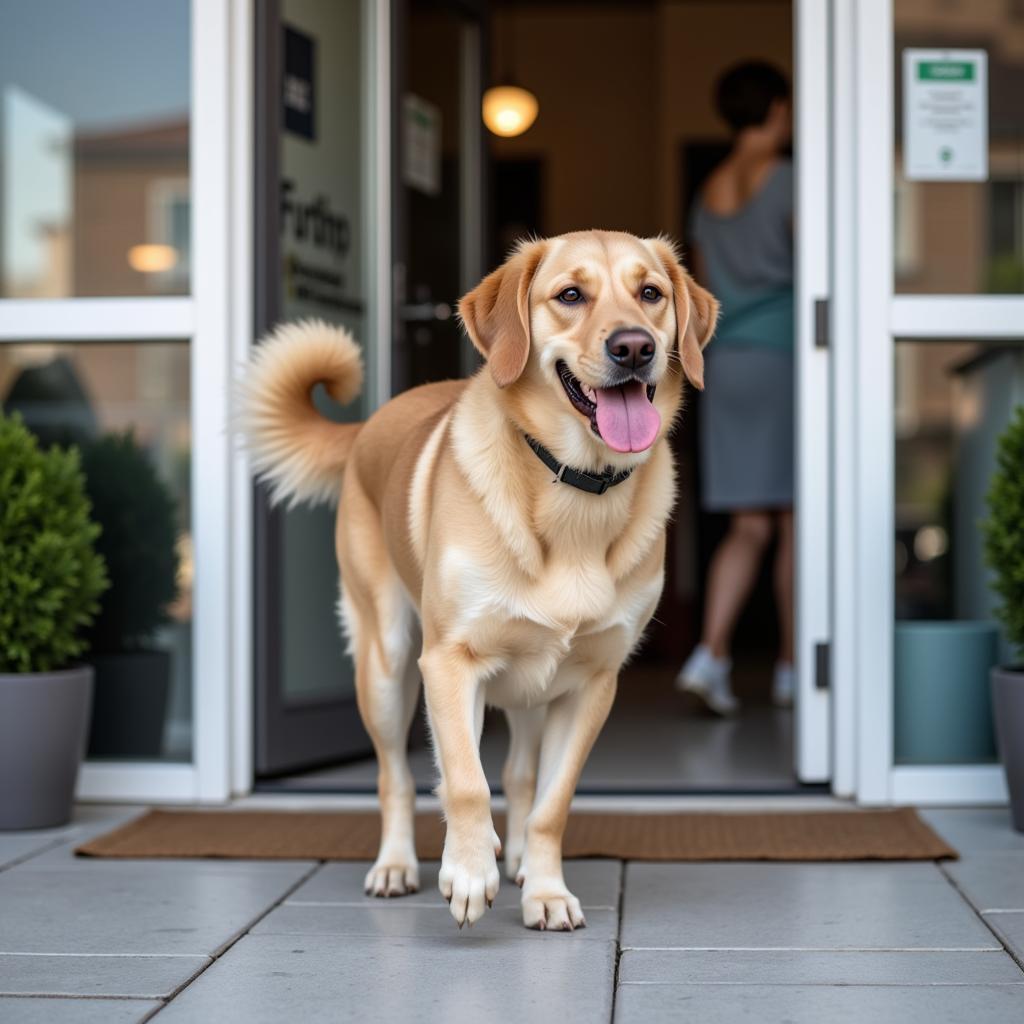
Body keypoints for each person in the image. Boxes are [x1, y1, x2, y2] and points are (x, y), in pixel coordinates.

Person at [676, 61, 795, 716]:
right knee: (794, 523)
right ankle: (791, 670)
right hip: (785, 362)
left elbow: (700, 297)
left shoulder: (708, 192)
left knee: (746, 525)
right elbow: (817, 276)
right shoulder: (790, 181)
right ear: (777, 108)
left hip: (727, 366)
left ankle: (711, 654)